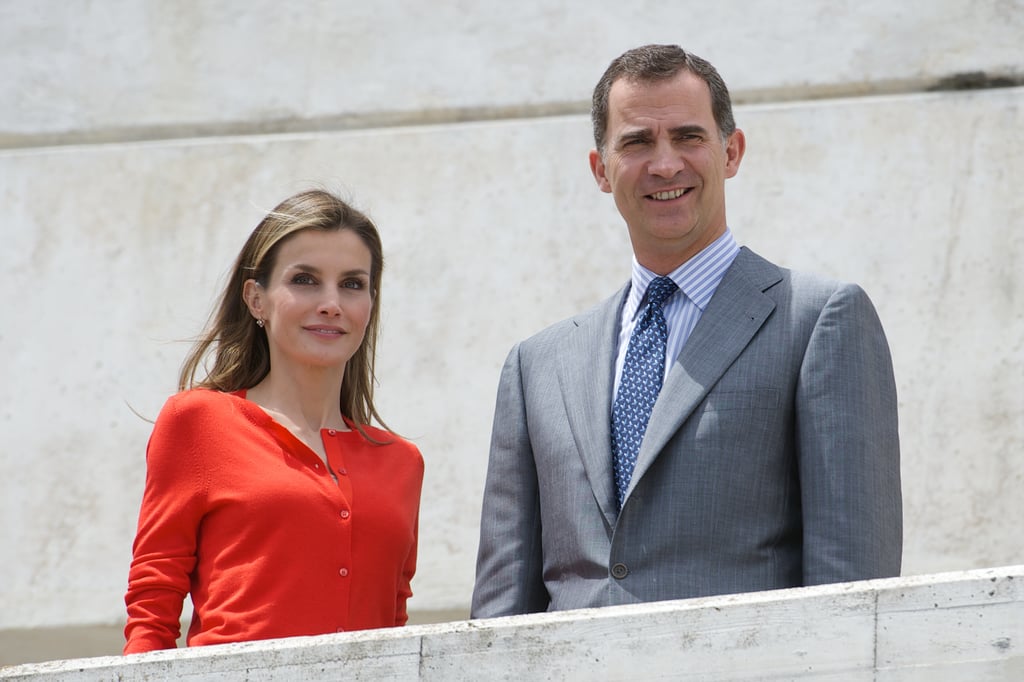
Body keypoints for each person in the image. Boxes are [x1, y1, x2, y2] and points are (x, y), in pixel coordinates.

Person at [471, 44, 902, 617]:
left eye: (688, 137)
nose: (666, 163)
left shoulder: (819, 321)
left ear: (732, 151)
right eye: (637, 142)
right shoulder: (537, 366)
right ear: (601, 170)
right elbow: (501, 610)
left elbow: (855, 592)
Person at [123, 189, 423, 653]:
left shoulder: (402, 462)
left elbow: (393, 621)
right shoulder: (198, 422)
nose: (331, 303)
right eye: (305, 280)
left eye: (352, 284)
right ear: (256, 299)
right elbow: (153, 603)